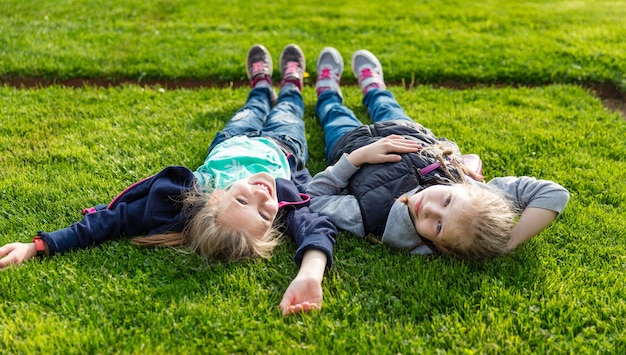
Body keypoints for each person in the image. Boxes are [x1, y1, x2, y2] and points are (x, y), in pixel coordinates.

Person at [0, 44, 337, 316]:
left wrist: (39, 246)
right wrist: (310, 273)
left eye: (243, 201)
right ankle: (287, 83)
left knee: (252, 108)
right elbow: (317, 228)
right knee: (288, 109)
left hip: (232, 138)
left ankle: (262, 86)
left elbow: (113, 220)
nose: (263, 197)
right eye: (264, 214)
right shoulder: (285, 208)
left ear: (216, 198)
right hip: (283, 144)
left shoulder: (188, 195)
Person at [307, 47, 569, 259]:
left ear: (440, 247)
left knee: (333, 112)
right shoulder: (478, 198)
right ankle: (373, 83)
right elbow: (554, 193)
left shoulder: (371, 217)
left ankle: (327, 88)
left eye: (439, 227)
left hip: (349, 143)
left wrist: (357, 158)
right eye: (447, 201)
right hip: (406, 130)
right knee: (385, 102)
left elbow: (312, 198)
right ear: (470, 189)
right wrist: (508, 243)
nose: (429, 209)